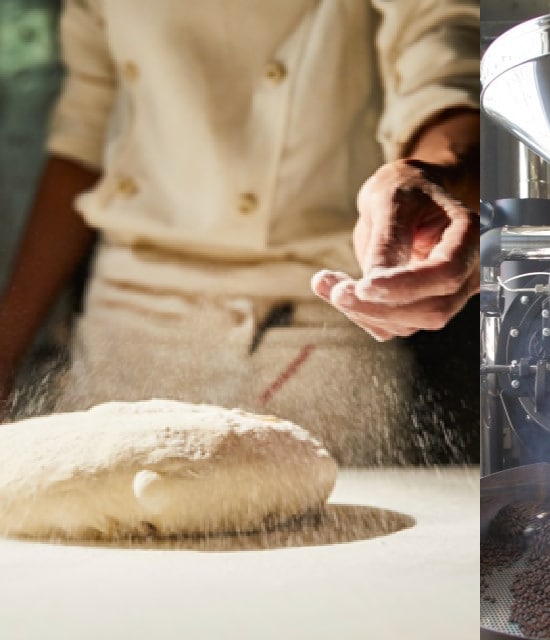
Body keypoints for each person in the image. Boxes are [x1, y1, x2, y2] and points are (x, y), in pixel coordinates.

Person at [0, 0, 480, 466]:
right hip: (123, 324)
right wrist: (4, 350)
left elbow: (439, 63)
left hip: (302, 334)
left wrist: (437, 171)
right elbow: (82, 138)